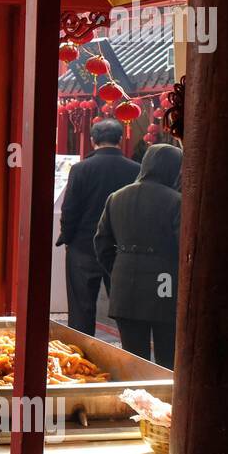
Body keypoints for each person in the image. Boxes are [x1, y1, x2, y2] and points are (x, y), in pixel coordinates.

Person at [94, 143, 183, 368]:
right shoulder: (177, 201)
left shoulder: (116, 197)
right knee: (167, 358)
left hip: (125, 285)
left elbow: (102, 243)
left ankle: (133, 401)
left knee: (133, 359)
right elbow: (183, 245)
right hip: (165, 284)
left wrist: (118, 270)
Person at [56, 118, 140, 335]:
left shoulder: (81, 169)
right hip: (121, 247)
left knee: (81, 307)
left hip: (83, 246)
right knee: (124, 307)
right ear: (120, 139)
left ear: (92, 140)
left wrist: (67, 236)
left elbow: (70, 209)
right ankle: (130, 352)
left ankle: (80, 357)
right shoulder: (135, 170)